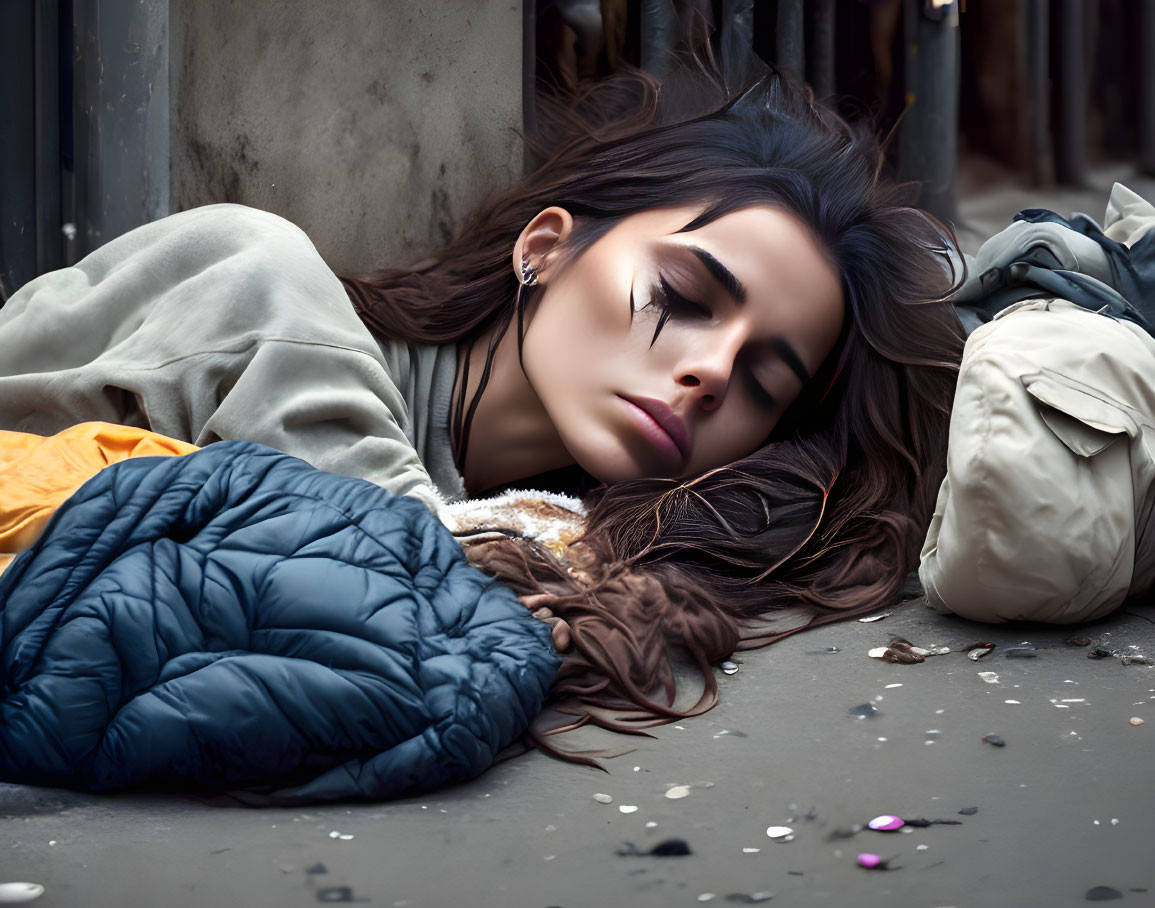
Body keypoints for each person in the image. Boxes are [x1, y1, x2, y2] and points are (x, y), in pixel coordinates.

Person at [0, 56, 965, 752]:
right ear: (544, 247)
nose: (711, 372)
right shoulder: (261, 285)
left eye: (764, 381)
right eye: (680, 298)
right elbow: (406, 575)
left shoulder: (556, 521)